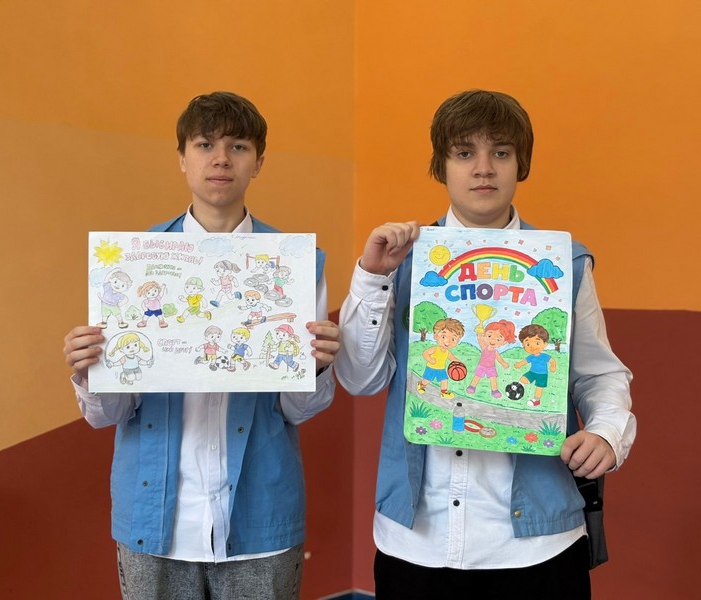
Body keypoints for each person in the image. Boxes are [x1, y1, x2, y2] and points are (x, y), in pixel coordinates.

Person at [334, 90, 635, 599]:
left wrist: (607, 433)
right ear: (441, 165)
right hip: (416, 541)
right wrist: (371, 277)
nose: (483, 169)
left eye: (500, 152)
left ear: (521, 164)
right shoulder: (401, 259)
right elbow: (360, 379)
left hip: (537, 546)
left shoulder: (562, 263)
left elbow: (599, 374)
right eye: (463, 152)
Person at [63, 91, 340, 600]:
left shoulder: (294, 266)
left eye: (238, 147)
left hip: (260, 519)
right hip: (155, 521)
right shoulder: (131, 264)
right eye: (205, 144)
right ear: (182, 158)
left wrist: (318, 369)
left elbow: (297, 410)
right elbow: (109, 415)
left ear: (258, 162)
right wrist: (89, 373)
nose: (221, 159)